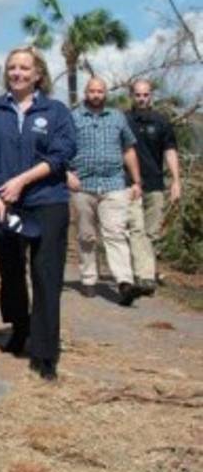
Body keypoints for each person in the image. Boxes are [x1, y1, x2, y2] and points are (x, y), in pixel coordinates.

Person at [0, 47, 76, 381]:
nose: (17, 73)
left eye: (24, 68)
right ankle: (20, 326)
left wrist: (21, 181)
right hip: (4, 205)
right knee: (11, 271)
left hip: (47, 201)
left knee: (46, 275)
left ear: (38, 74)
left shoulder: (56, 111)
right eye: (12, 67)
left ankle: (45, 353)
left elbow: (62, 154)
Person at [68, 77, 144, 306]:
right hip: (83, 185)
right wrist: (66, 174)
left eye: (100, 91)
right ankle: (89, 278)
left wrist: (137, 182)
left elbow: (128, 150)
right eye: (92, 91)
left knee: (116, 233)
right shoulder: (73, 118)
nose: (96, 95)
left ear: (106, 93)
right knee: (86, 235)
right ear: (86, 92)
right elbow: (61, 149)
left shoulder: (118, 117)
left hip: (114, 184)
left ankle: (124, 283)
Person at [125, 78, 182, 295]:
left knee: (151, 232)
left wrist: (176, 181)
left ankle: (141, 270)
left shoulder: (162, 122)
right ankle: (146, 277)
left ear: (151, 96)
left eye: (145, 95)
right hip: (130, 184)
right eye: (138, 95)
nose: (142, 98)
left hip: (156, 184)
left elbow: (170, 151)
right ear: (132, 96)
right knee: (137, 230)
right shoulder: (124, 120)